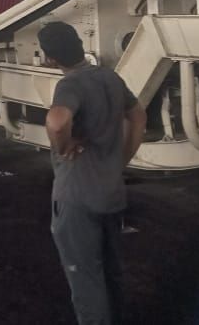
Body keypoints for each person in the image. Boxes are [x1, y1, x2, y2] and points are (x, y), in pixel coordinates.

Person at [40, 21, 147, 325]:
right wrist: (121, 160)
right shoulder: (110, 77)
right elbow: (139, 116)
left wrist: (63, 146)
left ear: (51, 59)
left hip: (77, 197)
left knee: (86, 281)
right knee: (112, 273)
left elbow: (57, 122)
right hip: (111, 193)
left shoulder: (70, 85)